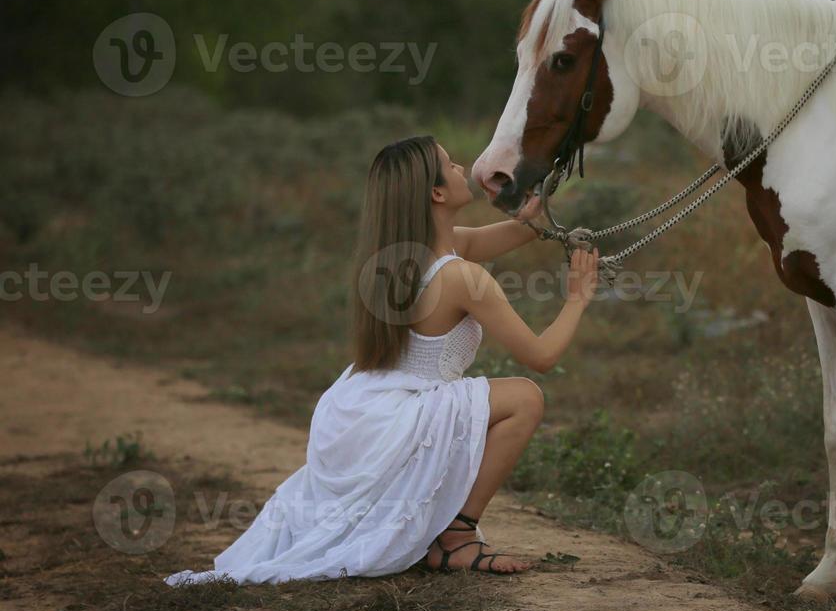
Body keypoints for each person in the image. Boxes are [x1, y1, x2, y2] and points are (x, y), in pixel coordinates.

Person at [167, 136, 598, 585]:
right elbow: (542, 357)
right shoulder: (461, 278)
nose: (461, 167)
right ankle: (456, 537)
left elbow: (509, 234)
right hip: (395, 416)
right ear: (436, 193)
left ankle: (437, 531)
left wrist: (535, 206)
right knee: (525, 398)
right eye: (450, 165)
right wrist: (577, 298)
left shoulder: (405, 256)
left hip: (356, 410)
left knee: (486, 401)